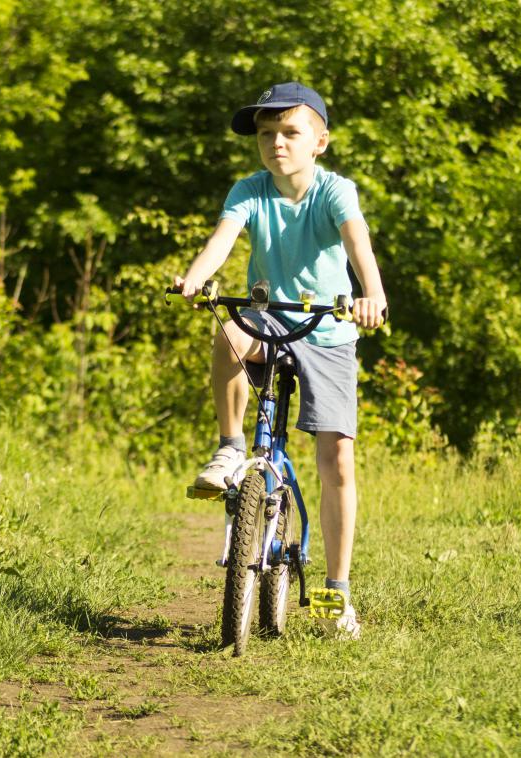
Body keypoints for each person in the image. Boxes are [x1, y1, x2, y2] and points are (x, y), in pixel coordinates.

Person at [173, 82, 386, 639]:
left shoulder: (335, 191)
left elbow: (358, 242)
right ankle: (230, 447)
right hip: (270, 320)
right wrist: (196, 279)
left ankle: (336, 592)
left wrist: (373, 294)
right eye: (267, 135)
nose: (276, 144)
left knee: (336, 459)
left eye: (290, 132)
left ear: (320, 140)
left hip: (328, 329)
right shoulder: (250, 190)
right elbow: (223, 240)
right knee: (228, 329)